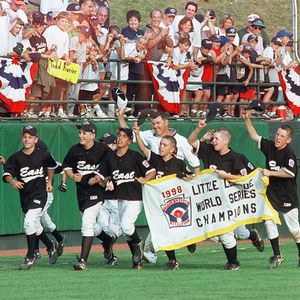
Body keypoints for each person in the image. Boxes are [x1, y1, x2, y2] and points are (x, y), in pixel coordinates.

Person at [117, 109, 200, 262]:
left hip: (177, 191)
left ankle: (189, 240)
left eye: (158, 123)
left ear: (166, 122)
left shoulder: (180, 145)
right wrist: (122, 118)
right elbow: (139, 143)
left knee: (178, 223)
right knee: (162, 224)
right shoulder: (153, 149)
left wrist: (192, 180)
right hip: (157, 193)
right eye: (153, 123)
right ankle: (163, 257)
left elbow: (194, 167)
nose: (155, 126)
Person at [188, 121, 264, 270]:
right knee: (219, 233)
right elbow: (190, 141)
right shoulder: (209, 151)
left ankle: (235, 260)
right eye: (213, 138)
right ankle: (235, 259)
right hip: (212, 201)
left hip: (232, 202)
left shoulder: (236, 157)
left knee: (238, 233)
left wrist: (227, 175)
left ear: (226, 141)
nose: (214, 141)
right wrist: (201, 131)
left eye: (217, 139)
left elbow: (248, 178)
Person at [243, 111, 300, 268]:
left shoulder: (289, 153)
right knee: (268, 221)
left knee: (294, 230)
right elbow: (254, 136)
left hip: (287, 196)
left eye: (282, 136)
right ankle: (277, 255)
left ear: (288, 140)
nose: (278, 137)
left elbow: (290, 173)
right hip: (271, 193)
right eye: (277, 134)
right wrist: (247, 120)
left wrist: (270, 172)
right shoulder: (269, 146)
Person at [133, 123, 192, 270]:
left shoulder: (179, 163)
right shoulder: (156, 160)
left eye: (164, 145)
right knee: (163, 232)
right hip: (159, 203)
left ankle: (190, 240)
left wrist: (183, 176)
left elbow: (190, 179)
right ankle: (172, 260)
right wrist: (137, 134)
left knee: (177, 229)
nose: (161, 147)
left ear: (172, 149)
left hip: (176, 203)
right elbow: (142, 148)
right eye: (160, 144)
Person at [97, 127, 156, 269]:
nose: (120, 138)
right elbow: (103, 176)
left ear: (129, 140)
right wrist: (105, 181)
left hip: (134, 197)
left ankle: (139, 243)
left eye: (124, 136)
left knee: (126, 226)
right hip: (119, 198)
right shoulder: (110, 157)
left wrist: (145, 179)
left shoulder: (134, 156)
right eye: (119, 135)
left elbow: (152, 171)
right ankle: (137, 260)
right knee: (126, 230)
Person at [3, 125, 58, 270]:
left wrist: (50, 182)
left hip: (40, 195)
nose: (27, 140)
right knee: (34, 224)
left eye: (30, 137)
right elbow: (7, 172)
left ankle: (30, 255)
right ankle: (50, 244)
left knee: (28, 222)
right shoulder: (16, 157)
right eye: (25, 137)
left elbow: (52, 166)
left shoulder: (43, 154)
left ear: (35, 139)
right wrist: (12, 181)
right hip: (25, 197)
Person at [62, 121, 116, 270]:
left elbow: (114, 166)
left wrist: (104, 179)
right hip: (81, 192)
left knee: (86, 223)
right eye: (80, 132)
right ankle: (107, 241)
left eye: (84, 133)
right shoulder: (75, 150)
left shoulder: (103, 149)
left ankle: (83, 260)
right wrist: (72, 176)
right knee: (93, 226)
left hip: (97, 191)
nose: (80, 135)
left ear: (92, 135)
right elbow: (66, 166)